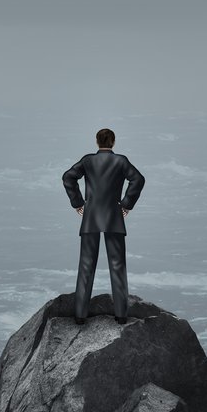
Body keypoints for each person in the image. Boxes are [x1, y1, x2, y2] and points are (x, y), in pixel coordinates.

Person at [61, 128, 146, 323]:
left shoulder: (88, 160)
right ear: (113, 142)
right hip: (114, 217)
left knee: (85, 266)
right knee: (117, 266)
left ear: (96, 142)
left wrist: (78, 203)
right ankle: (121, 315)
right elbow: (138, 180)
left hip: (90, 216)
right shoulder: (121, 161)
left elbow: (68, 177)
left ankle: (80, 316)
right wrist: (126, 204)